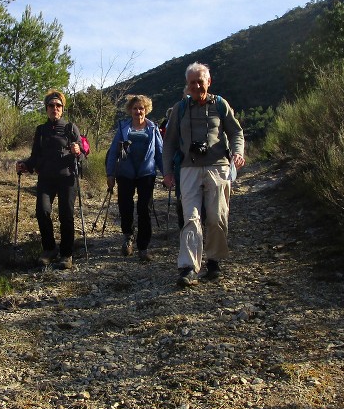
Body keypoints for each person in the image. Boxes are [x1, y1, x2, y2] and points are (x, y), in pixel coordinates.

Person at [162, 63, 245, 287]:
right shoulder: (180, 108)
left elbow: (236, 131)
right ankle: (188, 267)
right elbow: (169, 143)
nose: (197, 85)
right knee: (191, 218)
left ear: (209, 82)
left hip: (218, 167)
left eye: (201, 81)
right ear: (187, 85)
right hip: (188, 168)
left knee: (217, 216)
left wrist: (238, 152)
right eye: (192, 82)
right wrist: (168, 171)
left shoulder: (220, 104)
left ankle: (214, 261)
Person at [15, 89, 83, 269]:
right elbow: (35, 156)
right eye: (51, 105)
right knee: (42, 212)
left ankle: (66, 254)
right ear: (46, 108)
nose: (55, 108)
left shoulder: (70, 128)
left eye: (58, 105)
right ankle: (50, 248)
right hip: (46, 178)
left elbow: (82, 155)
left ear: (62, 108)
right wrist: (25, 165)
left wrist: (78, 152)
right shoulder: (41, 130)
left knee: (66, 216)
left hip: (67, 178)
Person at [105, 94, 163, 262]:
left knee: (145, 209)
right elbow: (113, 153)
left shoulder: (153, 128)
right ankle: (128, 237)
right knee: (125, 207)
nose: (138, 111)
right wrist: (110, 174)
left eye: (141, 108)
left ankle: (143, 247)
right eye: (135, 108)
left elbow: (160, 153)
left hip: (146, 173)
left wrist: (167, 173)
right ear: (130, 110)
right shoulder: (123, 128)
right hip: (125, 173)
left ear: (146, 110)